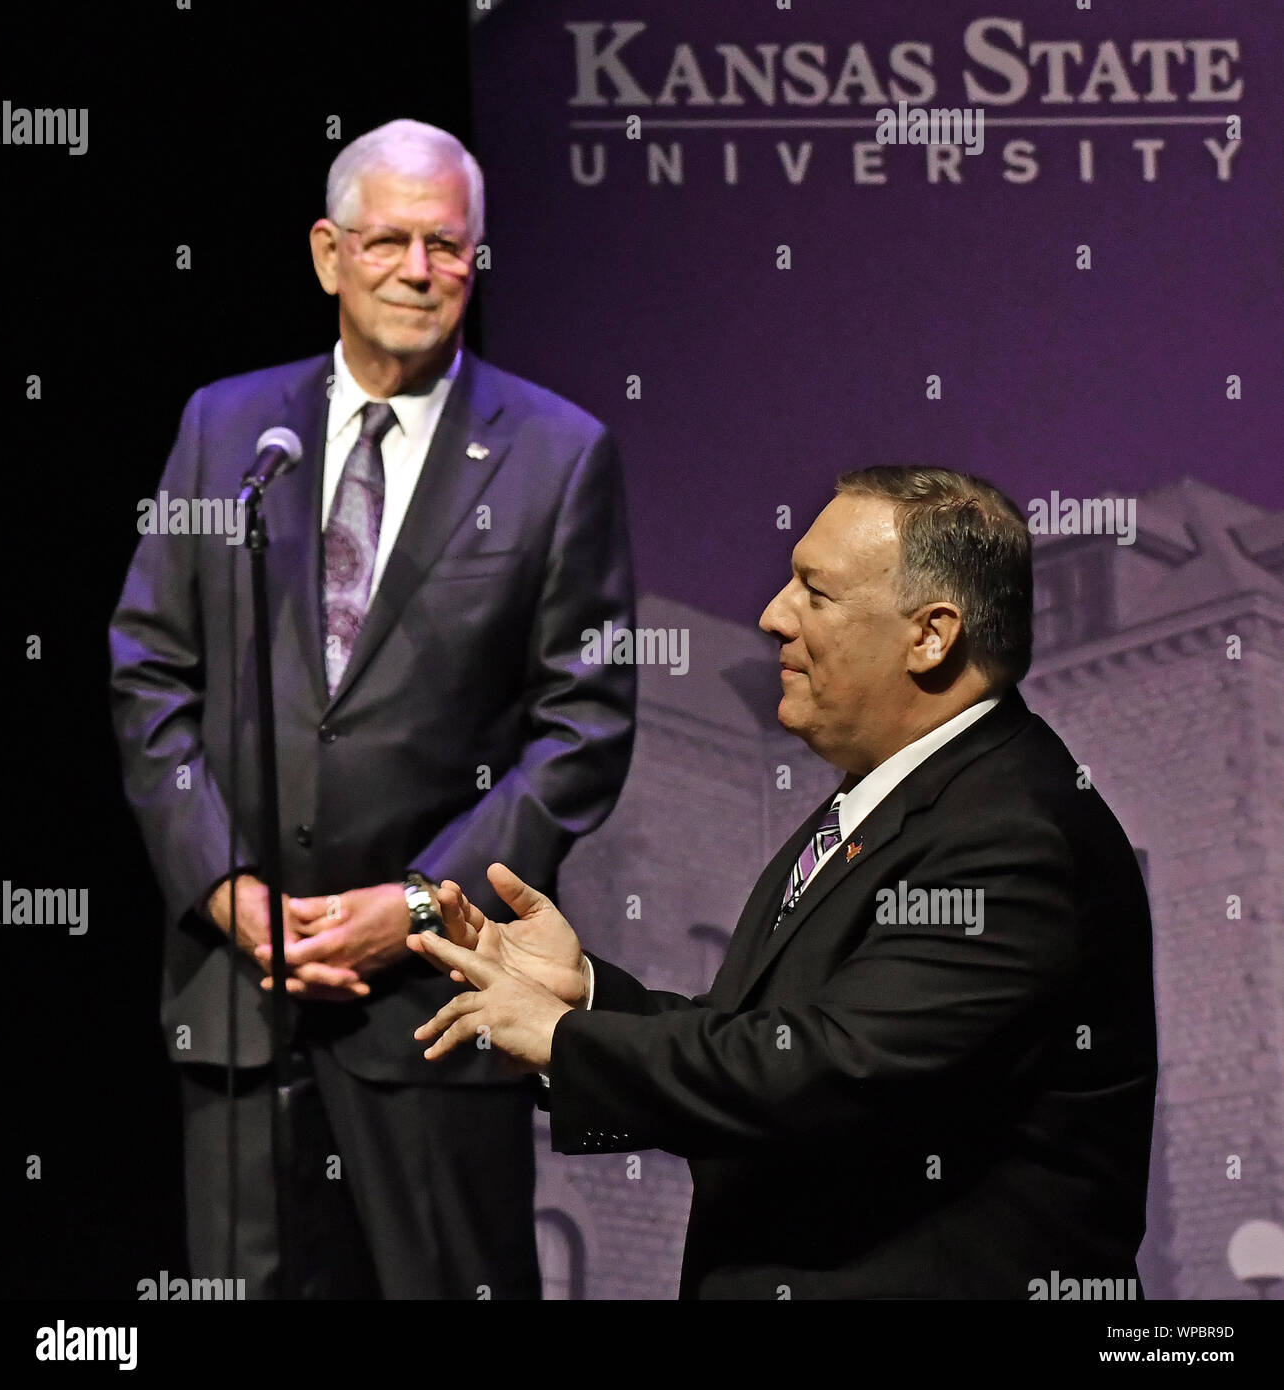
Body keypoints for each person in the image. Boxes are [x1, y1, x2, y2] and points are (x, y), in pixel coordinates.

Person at [410, 467, 1159, 1300]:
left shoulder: (1012, 835)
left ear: (931, 635)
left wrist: (562, 1039)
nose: (772, 615)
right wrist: (582, 997)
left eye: (816, 592)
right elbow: (770, 1038)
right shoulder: (888, 800)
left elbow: (832, 1072)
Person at [108, 119, 636, 1298]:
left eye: (445, 246)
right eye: (387, 240)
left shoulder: (557, 455)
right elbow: (148, 669)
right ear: (326, 253)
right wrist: (224, 888)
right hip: (240, 1006)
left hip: (433, 1009)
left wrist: (410, 904)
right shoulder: (225, 431)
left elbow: (582, 725)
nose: (415, 268)